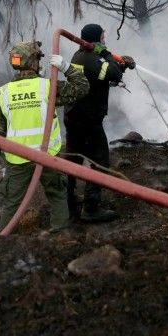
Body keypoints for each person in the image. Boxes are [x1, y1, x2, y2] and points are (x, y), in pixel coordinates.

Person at [0, 40, 89, 232]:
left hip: (18, 159)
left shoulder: (4, 93)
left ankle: (2, 246)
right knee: (57, 195)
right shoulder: (47, 87)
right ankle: (59, 239)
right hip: (47, 155)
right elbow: (82, 87)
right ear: (34, 62)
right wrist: (66, 67)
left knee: (13, 203)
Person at [64, 23, 136, 223]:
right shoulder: (92, 58)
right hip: (88, 119)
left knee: (73, 159)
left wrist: (120, 64)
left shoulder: (79, 57)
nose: (105, 40)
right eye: (103, 37)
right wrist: (108, 56)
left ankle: (67, 201)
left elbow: (105, 75)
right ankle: (91, 208)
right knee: (100, 161)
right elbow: (111, 73)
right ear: (96, 40)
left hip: (74, 116)